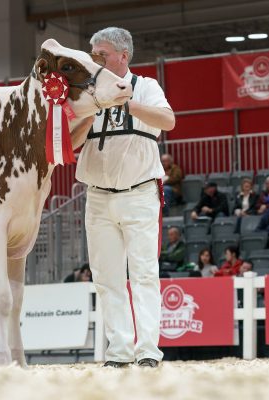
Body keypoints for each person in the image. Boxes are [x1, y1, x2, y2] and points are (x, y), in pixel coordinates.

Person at [75, 27, 175, 368]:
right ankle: (118, 351)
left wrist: (129, 104)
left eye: (101, 54)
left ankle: (148, 351)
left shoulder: (146, 86)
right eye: (93, 54)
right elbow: (71, 142)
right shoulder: (87, 92)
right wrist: (91, 110)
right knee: (106, 277)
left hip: (139, 193)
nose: (96, 60)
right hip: (98, 196)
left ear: (123, 56)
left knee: (144, 273)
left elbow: (168, 120)